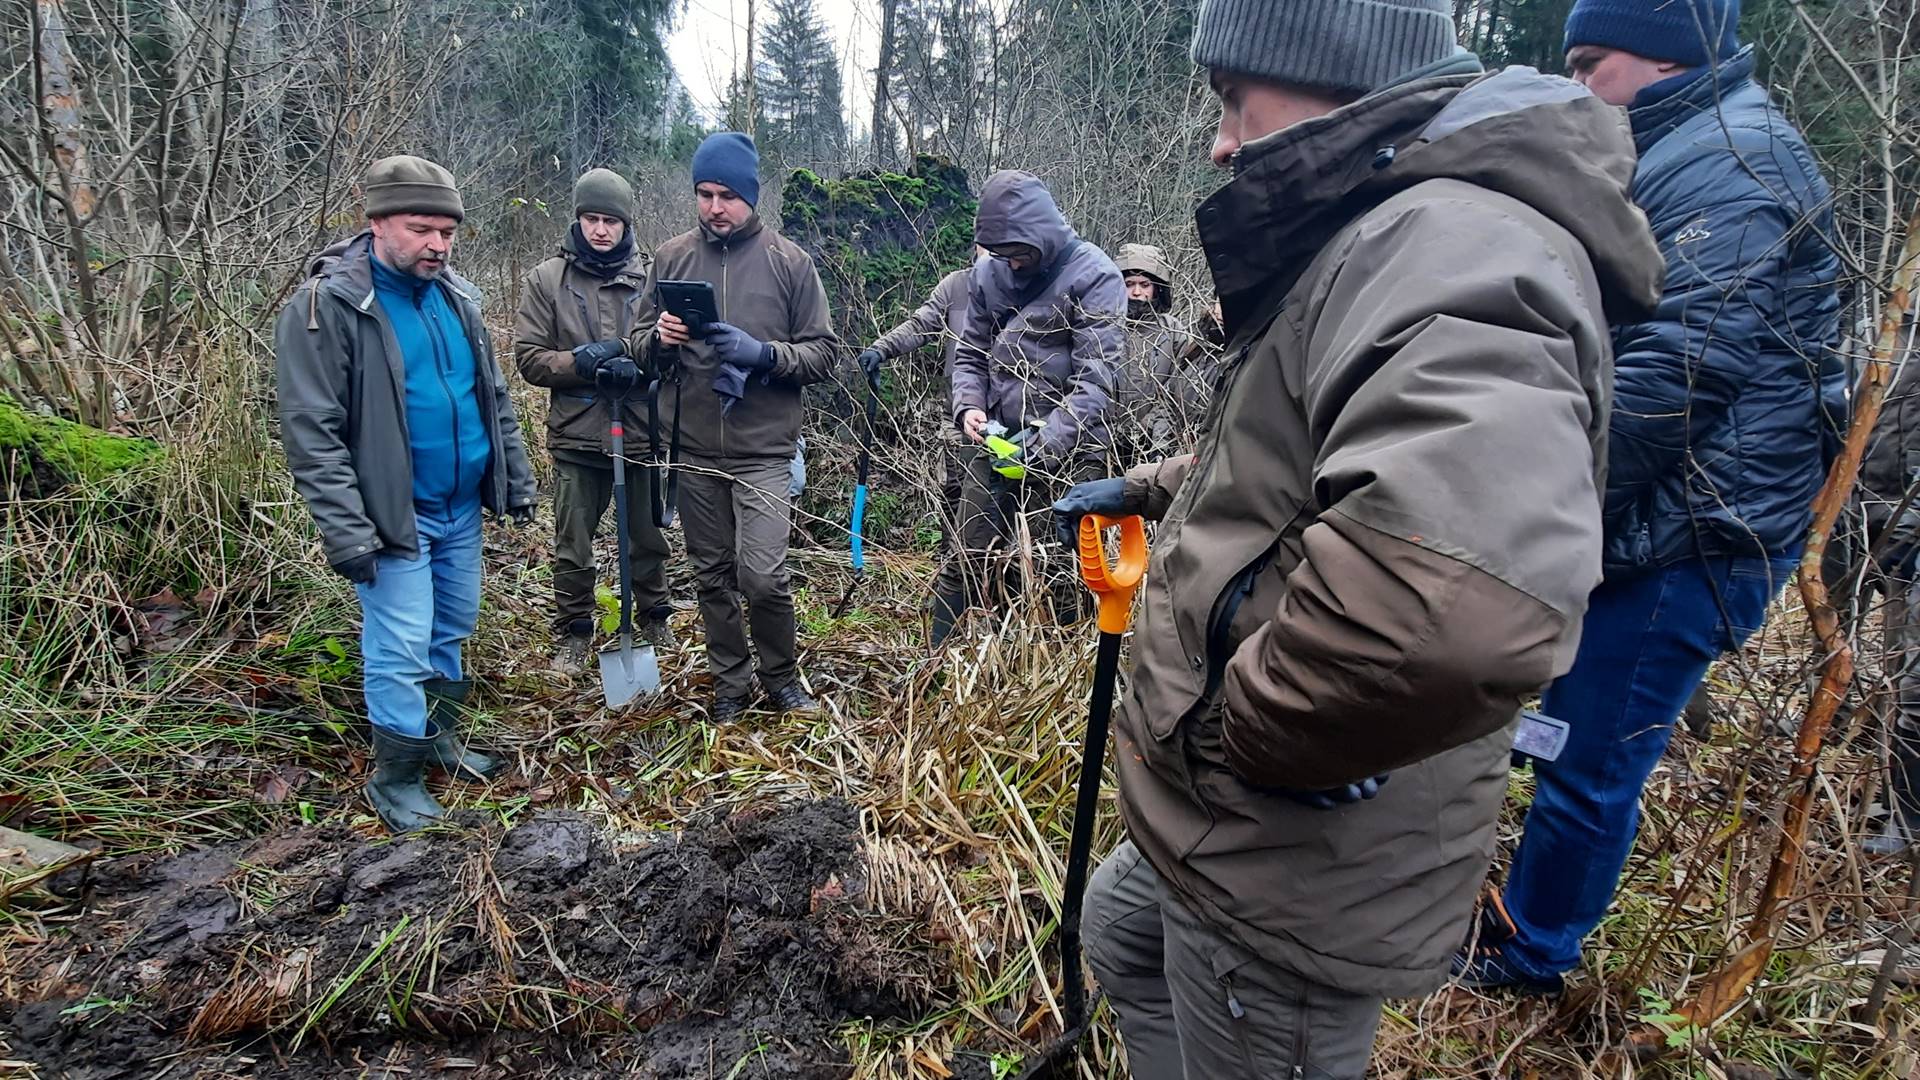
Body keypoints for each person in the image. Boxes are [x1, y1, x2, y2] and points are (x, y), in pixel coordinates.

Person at [1052, 0, 1666, 1070]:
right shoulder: (1380, 235)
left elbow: (1453, 614)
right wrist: (1153, 485)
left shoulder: (1452, 243)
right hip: (1230, 812)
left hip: (1288, 841)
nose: (1220, 138)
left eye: (1235, 99)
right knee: (1123, 935)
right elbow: (1305, 464)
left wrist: (1248, 735)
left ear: (1330, 70)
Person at [1455, 0, 1844, 993]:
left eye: (1592, 64)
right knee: (1558, 728)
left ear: (1665, 59)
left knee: (1589, 755)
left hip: (1690, 533)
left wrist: (1547, 501)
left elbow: (1680, 369)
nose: (1577, 86)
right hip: (1652, 520)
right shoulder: (1691, 146)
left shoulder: (1730, 158)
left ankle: (1534, 955)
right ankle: (1516, 912)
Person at [275, 155, 538, 833]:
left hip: (458, 509)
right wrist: (348, 531)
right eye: (423, 229)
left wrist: (513, 476)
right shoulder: (326, 307)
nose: (438, 245)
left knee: (450, 629)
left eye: (448, 232)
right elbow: (313, 432)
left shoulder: (457, 297)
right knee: (400, 646)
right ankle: (395, 779)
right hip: (393, 517)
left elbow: (492, 398)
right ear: (377, 222)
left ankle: (441, 739)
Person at [624, 132, 840, 722]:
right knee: (712, 576)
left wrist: (763, 354)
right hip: (692, 447)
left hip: (762, 449)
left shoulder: (789, 262)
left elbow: (823, 355)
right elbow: (639, 347)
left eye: (727, 195)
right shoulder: (670, 259)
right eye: (704, 194)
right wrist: (659, 342)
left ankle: (782, 678)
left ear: (751, 196)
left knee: (764, 577)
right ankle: (731, 687)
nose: (715, 207)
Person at [927, 171, 1125, 647]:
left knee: (1051, 567)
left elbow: (1098, 380)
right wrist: (968, 408)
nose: (1010, 264)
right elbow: (969, 352)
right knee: (965, 558)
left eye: (1018, 253)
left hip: (1067, 450)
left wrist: (1042, 445)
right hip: (994, 443)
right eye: (1000, 255)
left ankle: (1040, 671)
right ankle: (933, 670)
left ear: (1041, 235)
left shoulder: (1095, 275)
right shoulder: (987, 273)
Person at [513, 168, 669, 673]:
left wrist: (634, 358)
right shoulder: (546, 280)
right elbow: (530, 357)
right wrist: (579, 362)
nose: (601, 230)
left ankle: (655, 620)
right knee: (572, 542)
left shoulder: (652, 279)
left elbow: (672, 350)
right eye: (591, 219)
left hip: (641, 429)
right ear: (577, 220)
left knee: (647, 536)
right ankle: (576, 631)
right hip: (577, 434)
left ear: (627, 225)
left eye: (611, 221)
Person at [855, 259, 975, 527]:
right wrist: (882, 348)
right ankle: (953, 563)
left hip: (1009, 414)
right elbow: (922, 325)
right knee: (957, 492)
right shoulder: (957, 285)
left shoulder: (1023, 283)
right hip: (958, 412)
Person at [1108, 242, 1187, 465]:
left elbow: (1177, 392)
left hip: (1154, 445)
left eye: (1145, 284)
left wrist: (1152, 432)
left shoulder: (1173, 332)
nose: (1137, 292)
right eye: (1129, 284)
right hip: (1102, 442)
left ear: (1157, 288)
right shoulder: (1104, 326)